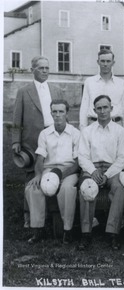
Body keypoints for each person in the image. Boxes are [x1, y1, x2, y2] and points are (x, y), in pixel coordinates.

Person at [12, 56, 64, 228]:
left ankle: (52, 212)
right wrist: (15, 141)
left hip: (54, 137)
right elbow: (16, 118)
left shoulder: (56, 90)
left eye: (47, 68)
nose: (44, 71)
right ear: (32, 70)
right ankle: (29, 215)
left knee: (53, 170)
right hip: (31, 139)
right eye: (41, 68)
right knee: (31, 176)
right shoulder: (24, 91)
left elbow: (63, 113)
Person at [25, 100, 80, 244]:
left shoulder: (75, 133)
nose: (57, 115)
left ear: (67, 113)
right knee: (33, 188)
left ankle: (67, 230)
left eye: (61, 111)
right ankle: (38, 230)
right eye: (54, 112)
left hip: (68, 170)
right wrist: (38, 174)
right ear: (51, 113)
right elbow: (40, 158)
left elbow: (78, 162)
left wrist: (62, 175)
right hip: (48, 170)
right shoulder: (45, 133)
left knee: (67, 189)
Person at [78, 95, 124, 250]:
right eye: (99, 108)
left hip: (112, 169)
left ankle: (113, 233)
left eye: (105, 107)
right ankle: (86, 233)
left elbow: (122, 158)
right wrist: (93, 172)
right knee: (87, 187)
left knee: (119, 189)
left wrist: (107, 175)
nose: (103, 111)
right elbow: (82, 157)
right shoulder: (87, 131)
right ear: (94, 111)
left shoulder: (120, 131)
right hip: (91, 169)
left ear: (111, 109)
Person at [79, 49, 124, 136]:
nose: (105, 64)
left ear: (113, 63)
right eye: (102, 61)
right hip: (94, 126)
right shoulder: (89, 82)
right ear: (98, 62)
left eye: (108, 61)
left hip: (116, 126)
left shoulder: (121, 83)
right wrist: (83, 130)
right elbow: (84, 107)